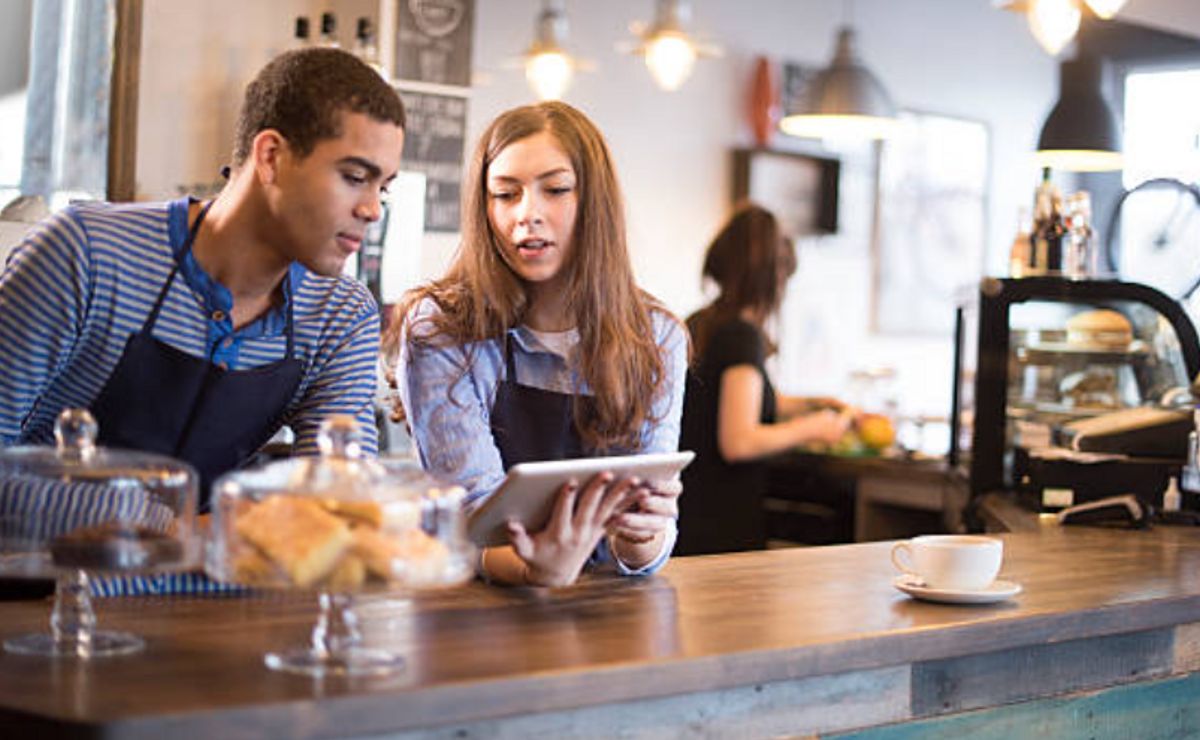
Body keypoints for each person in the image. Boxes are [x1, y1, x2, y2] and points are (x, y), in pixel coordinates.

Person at [0, 48, 405, 511]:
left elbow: (335, 502)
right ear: (271, 156)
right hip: (38, 575)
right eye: (355, 177)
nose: (373, 209)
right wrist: (164, 529)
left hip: (206, 580)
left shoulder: (341, 315)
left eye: (384, 187)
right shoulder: (87, 252)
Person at [386, 101, 688, 588]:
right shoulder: (442, 329)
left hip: (601, 613)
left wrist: (640, 536)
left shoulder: (656, 337)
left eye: (556, 190)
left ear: (595, 202)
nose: (527, 215)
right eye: (505, 194)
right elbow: (468, 524)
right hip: (473, 608)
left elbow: (647, 552)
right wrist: (536, 569)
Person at [677, 203, 851, 555]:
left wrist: (811, 403)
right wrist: (814, 427)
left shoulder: (701, 323)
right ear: (773, 278)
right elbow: (738, 440)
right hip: (720, 528)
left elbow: (728, 401)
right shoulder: (741, 336)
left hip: (688, 516)